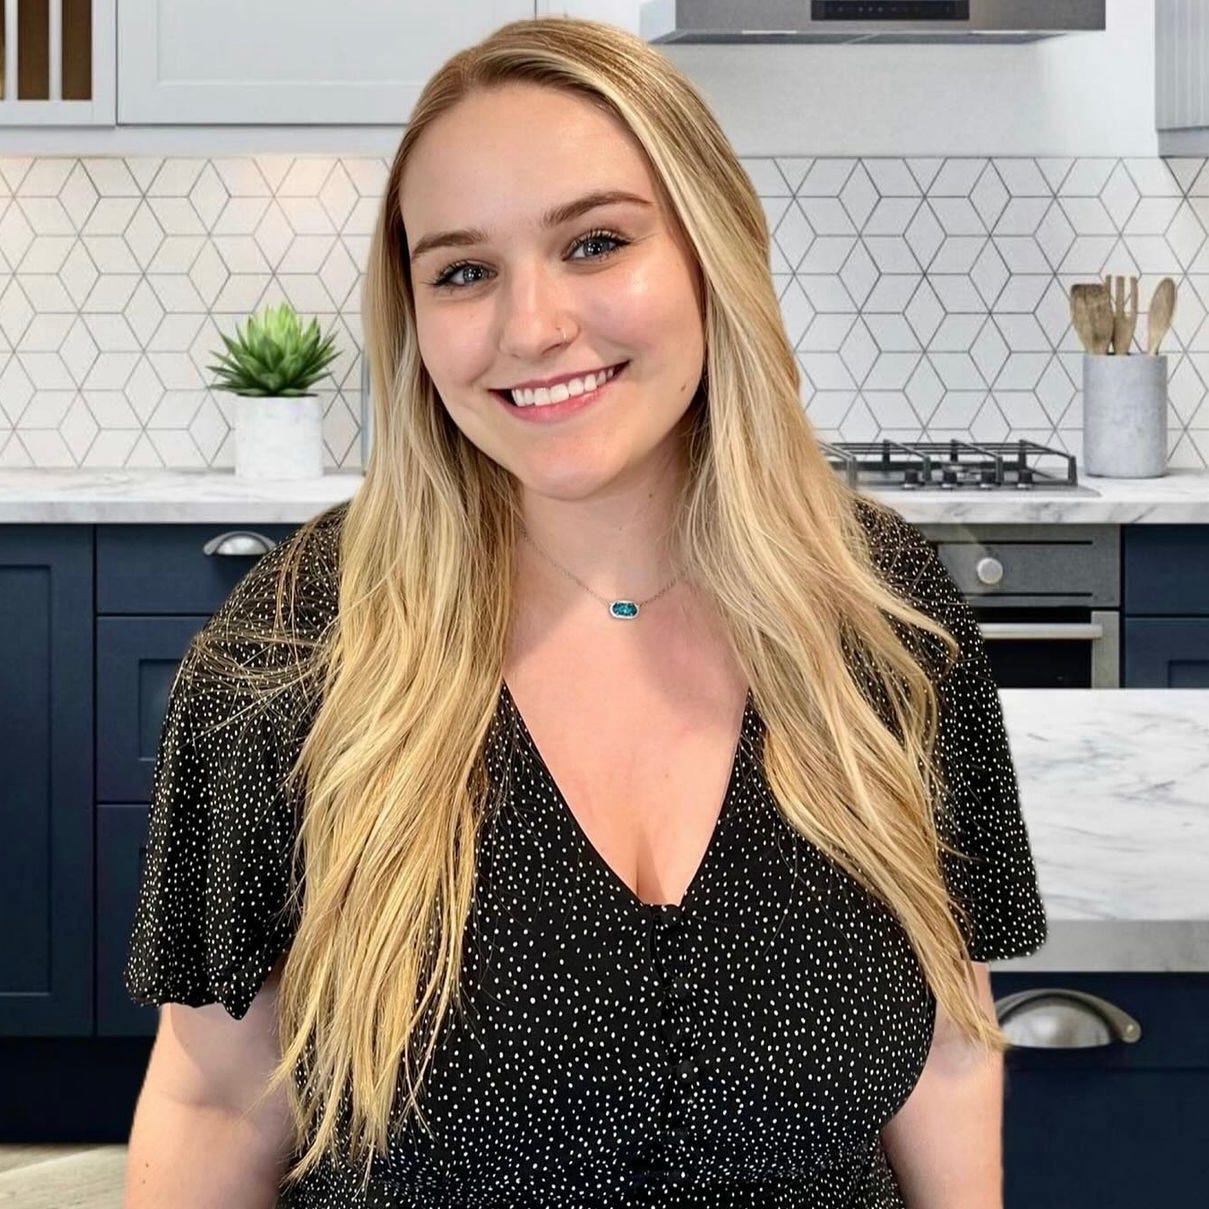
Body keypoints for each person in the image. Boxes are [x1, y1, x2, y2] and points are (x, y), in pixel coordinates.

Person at [122, 15, 1046, 1209]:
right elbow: (213, 1100)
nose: (533, 328)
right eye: (463, 271)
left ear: (713, 250)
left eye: (597, 242)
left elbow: (950, 1049)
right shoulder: (297, 646)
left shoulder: (881, 613)